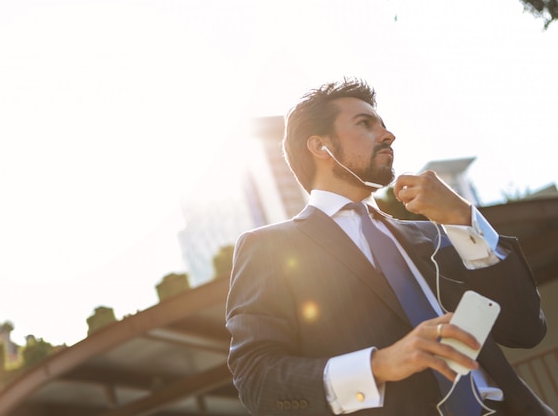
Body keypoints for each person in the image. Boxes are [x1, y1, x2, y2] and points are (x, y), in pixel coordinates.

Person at [225, 78, 554, 416]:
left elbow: (526, 328)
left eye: (383, 124)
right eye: (365, 124)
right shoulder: (269, 247)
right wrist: (377, 365)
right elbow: (257, 381)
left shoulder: (437, 233)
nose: (388, 135)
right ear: (320, 147)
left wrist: (464, 218)